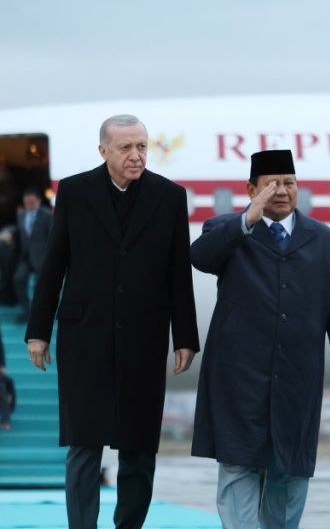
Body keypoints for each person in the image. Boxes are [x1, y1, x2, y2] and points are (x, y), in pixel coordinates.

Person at [24, 114, 200, 529]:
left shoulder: (169, 197)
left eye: (142, 146)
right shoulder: (74, 192)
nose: (136, 155)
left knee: (139, 447)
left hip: (144, 336)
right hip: (85, 334)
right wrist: (38, 331)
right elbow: (54, 264)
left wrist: (185, 336)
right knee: (84, 444)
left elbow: (179, 270)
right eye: (126, 148)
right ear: (103, 150)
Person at [190, 149, 330, 529]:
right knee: (238, 462)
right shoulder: (225, 229)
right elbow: (199, 258)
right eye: (271, 185)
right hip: (238, 372)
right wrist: (247, 220)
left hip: (296, 372)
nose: (282, 191)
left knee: (290, 466)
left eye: (289, 183)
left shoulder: (323, 239)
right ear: (251, 190)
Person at [14, 186, 52, 322]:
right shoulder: (20, 215)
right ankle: (28, 311)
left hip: (41, 257)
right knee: (18, 280)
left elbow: (52, 236)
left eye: (31, 201)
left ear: (38, 200)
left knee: (40, 287)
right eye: (26, 201)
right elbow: (18, 232)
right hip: (25, 258)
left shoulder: (47, 215)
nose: (28, 203)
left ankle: (41, 314)